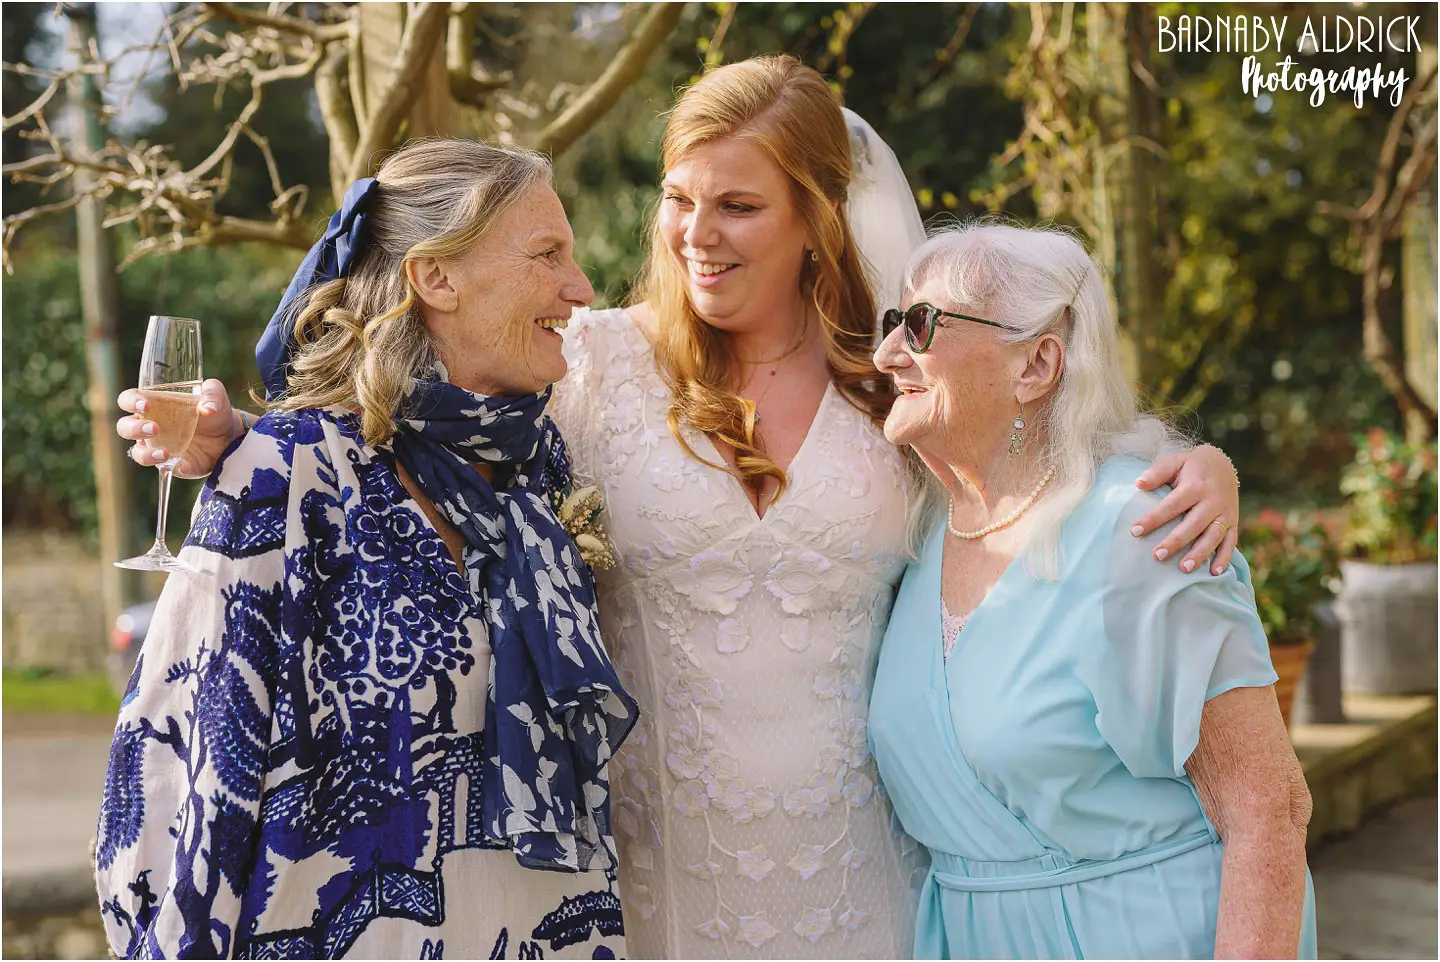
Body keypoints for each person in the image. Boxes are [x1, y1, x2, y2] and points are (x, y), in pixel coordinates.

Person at [116, 57, 1244, 959]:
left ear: (816, 218)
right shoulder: (587, 366)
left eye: (740, 205)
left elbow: (1038, 453)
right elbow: (407, 418)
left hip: (862, 894)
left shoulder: (888, 384)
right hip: (652, 896)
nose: (697, 232)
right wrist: (238, 437)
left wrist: (1200, 466)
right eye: (678, 199)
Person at [94, 140, 637, 960]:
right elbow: (168, 780)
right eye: (547, 254)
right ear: (436, 277)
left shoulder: (538, 469)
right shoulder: (287, 472)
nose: (580, 287)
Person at [868, 222, 1316, 959]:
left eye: (921, 326)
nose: (887, 354)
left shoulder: (1146, 529)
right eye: (893, 324)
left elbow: (1268, 807)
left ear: (1037, 363)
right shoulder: (915, 536)